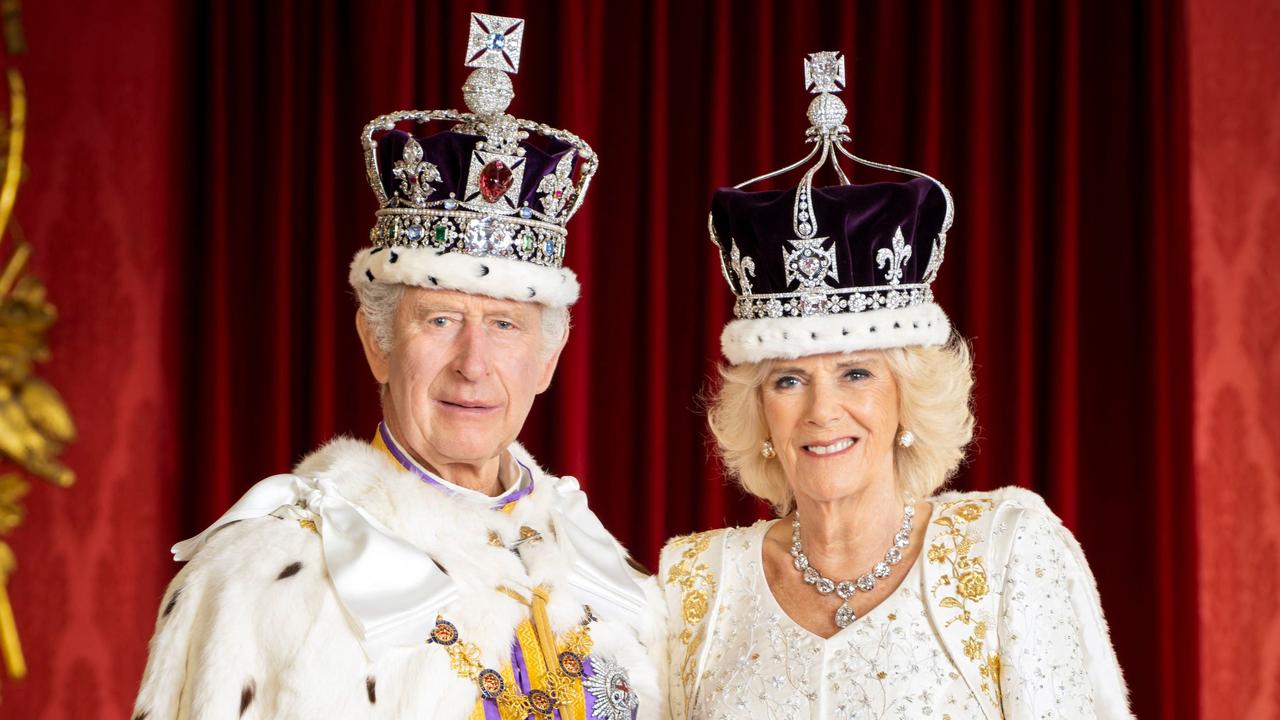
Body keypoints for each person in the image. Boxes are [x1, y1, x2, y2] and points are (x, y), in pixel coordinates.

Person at [133, 14, 661, 720]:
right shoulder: (265, 573)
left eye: (505, 326)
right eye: (440, 320)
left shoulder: (602, 567)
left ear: (547, 359)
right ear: (377, 341)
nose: (473, 364)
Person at [658, 52, 1130, 719]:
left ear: (907, 394)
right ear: (760, 409)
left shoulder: (1007, 553)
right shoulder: (694, 585)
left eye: (856, 372)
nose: (824, 411)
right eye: (790, 379)